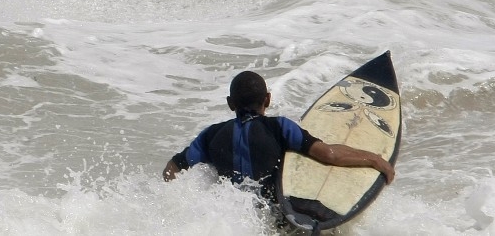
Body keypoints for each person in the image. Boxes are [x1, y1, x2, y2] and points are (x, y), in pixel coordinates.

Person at [162, 70, 395, 201]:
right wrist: (375, 159)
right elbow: (329, 154)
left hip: (234, 217)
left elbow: (171, 169)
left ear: (230, 104)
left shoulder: (211, 135)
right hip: (276, 216)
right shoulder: (279, 128)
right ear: (268, 100)